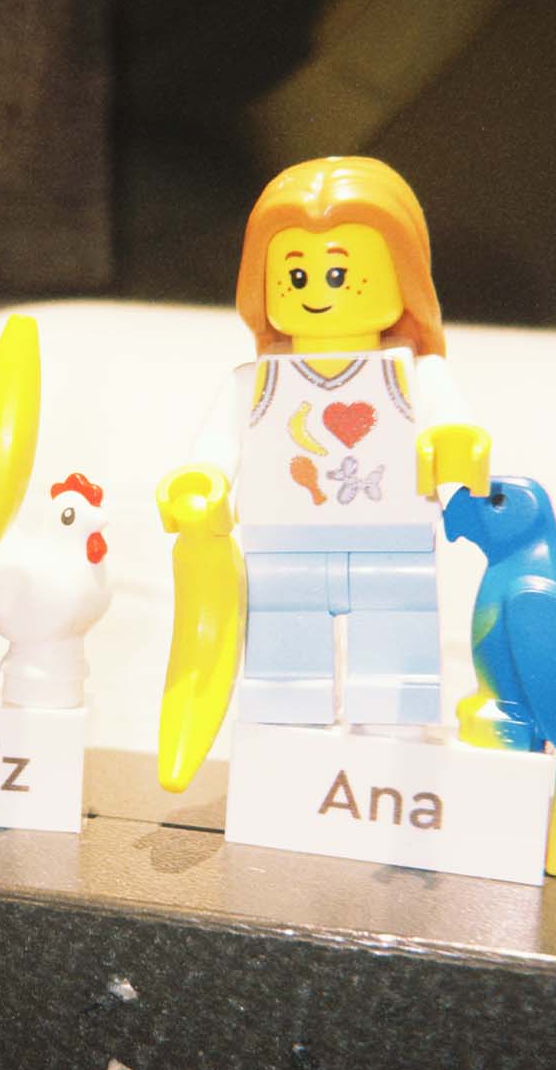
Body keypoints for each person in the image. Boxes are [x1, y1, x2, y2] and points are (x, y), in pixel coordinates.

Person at [159, 156, 490, 733]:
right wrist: (201, 482)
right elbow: (214, 450)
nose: (316, 290)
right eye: (295, 275)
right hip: (281, 549)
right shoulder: (251, 383)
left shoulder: (419, 376)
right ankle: (291, 755)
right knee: (284, 686)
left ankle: (389, 757)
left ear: (403, 274)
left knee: (395, 691)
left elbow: (455, 430)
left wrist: (454, 450)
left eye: (338, 273)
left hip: (393, 545)